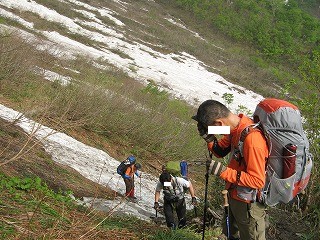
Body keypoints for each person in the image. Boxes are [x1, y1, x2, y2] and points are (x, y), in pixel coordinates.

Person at [193, 100, 268, 240]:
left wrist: (223, 171)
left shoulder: (252, 140)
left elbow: (257, 181)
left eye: (211, 128)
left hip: (249, 206)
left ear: (219, 124)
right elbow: (220, 151)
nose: (212, 131)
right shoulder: (234, 129)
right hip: (233, 196)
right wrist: (209, 138)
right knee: (231, 236)